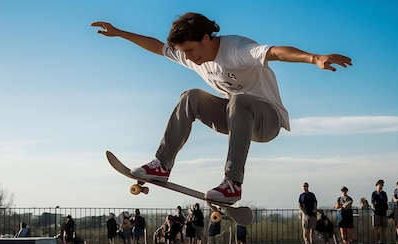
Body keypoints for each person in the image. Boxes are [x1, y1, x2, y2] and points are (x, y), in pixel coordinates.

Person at [91, 13, 352, 204]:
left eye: (192, 50)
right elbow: (158, 47)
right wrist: (120, 33)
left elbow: (275, 52)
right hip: (234, 117)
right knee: (191, 96)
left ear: (207, 38)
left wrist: (314, 58)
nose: (190, 58)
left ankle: (232, 183)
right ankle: (162, 164)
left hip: (266, 120)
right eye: (185, 53)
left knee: (239, 100)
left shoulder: (238, 49)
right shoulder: (191, 54)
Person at [371, 179, 389, 244]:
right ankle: (376, 240)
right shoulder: (374, 193)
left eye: (382, 185)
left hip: (383, 211)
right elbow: (373, 202)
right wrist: (374, 207)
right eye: (379, 185)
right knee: (376, 227)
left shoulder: (384, 193)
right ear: (377, 185)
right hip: (376, 212)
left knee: (383, 227)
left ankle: (383, 241)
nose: (380, 186)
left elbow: (385, 201)